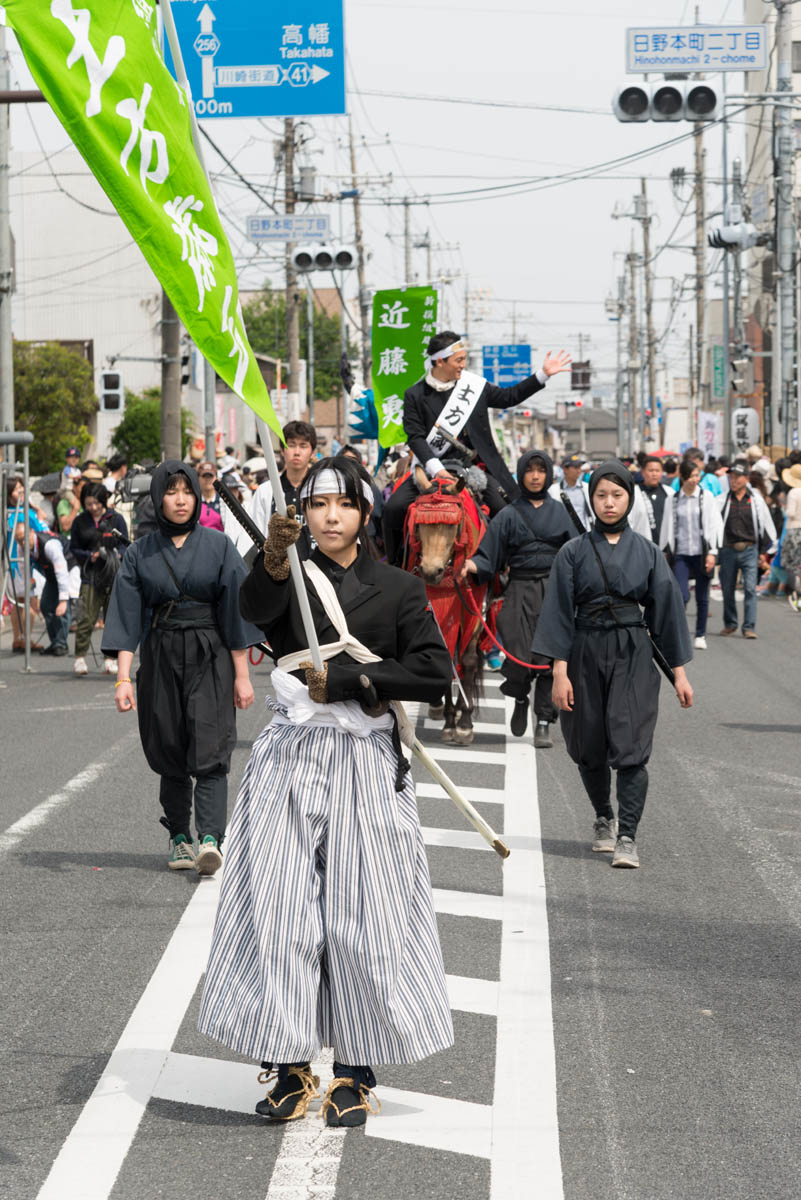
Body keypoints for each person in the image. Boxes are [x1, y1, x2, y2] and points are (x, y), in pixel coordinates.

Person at [198, 456, 454, 1128]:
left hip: (364, 758)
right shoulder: (286, 575)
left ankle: (355, 1073)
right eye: (317, 506)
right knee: (279, 910)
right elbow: (252, 614)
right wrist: (272, 563)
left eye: (344, 504)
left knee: (364, 915)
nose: (330, 516)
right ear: (303, 515)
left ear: (366, 514)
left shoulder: (397, 588)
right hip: (288, 756)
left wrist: (351, 683)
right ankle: (285, 1066)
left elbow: (433, 672)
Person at [532, 460, 693, 869]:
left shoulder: (649, 552)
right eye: (601, 495)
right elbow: (558, 613)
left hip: (633, 653)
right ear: (591, 498)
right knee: (588, 743)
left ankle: (627, 836)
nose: (608, 503)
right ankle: (603, 816)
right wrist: (559, 672)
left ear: (629, 498)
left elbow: (667, 615)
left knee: (632, 742)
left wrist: (679, 674)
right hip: (583, 650)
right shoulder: (572, 552)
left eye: (617, 495)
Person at [102, 461, 259, 874]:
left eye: (186, 491)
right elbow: (127, 617)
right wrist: (123, 678)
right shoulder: (140, 552)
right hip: (160, 654)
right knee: (169, 746)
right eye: (170, 491)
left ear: (196, 495)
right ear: (158, 498)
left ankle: (210, 838)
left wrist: (242, 677)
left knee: (211, 744)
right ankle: (179, 838)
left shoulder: (219, 545)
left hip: (211, 652)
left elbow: (235, 615)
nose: (180, 499)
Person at [381, 331, 571, 565]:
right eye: (458, 360)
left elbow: (508, 397)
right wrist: (435, 468)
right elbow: (416, 437)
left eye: (464, 359)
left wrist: (542, 375)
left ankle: (503, 570)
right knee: (392, 509)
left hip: (472, 468)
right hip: (430, 470)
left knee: (506, 509)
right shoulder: (415, 395)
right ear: (439, 361)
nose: (463, 365)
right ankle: (396, 566)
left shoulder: (472, 387)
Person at [462, 450, 574, 746]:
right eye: (530, 470)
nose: (535, 476)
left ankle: (543, 722)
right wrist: (473, 565)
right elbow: (488, 554)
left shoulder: (563, 511)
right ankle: (520, 696)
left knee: (551, 660)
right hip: (519, 589)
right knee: (518, 657)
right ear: (521, 474)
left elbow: (578, 554)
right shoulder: (509, 514)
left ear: (548, 474)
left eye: (541, 470)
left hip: (555, 592)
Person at [69, 482, 128, 675]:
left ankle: (110, 659)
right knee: (87, 617)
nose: (93, 507)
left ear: (103, 501)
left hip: (113, 574)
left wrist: (117, 554)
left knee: (113, 619)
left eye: (96, 503)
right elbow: (73, 549)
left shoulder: (116, 519)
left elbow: (125, 545)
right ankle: (79, 657)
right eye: (88, 503)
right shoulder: (80, 521)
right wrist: (89, 556)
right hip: (90, 575)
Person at [666, 459, 723, 650]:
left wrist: (713, 552)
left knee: (702, 597)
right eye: (690, 476)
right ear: (682, 477)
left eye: (697, 475)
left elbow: (715, 525)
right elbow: (666, 527)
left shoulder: (706, 497)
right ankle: (681, 634)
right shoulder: (673, 499)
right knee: (681, 596)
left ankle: (700, 634)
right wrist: (663, 552)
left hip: (702, 552)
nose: (694, 480)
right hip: (680, 552)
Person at [717, 461, 777, 639]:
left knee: (750, 588)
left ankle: (749, 627)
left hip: (750, 549)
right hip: (728, 549)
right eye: (731, 478)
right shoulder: (722, 499)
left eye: (737, 477)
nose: (733, 481)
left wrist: (764, 552)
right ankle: (730, 623)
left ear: (746, 478)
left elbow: (765, 525)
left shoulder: (756, 500)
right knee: (727, 588)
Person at [250, 420, 317, 555]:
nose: (297, 452)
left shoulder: (321, 490)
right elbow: (255, 534)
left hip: (317, 569)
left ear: (313, 452)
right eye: (291, 445)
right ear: (282, 450)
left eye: (303, 446)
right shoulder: (265, 491)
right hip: (276, 568)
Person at [14, 524, 70, 655]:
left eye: (24, 538)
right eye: (18, 540)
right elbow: (25, 572)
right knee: (45, 606)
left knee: (62, 609)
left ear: (31, 532)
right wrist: (32, 595)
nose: (22, 543)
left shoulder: (49, 545)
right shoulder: (21, 547)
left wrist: (63, 599)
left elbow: (62, 571)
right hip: (50, 574)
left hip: (69, 569)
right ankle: (55, 642)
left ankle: (61, 644)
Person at [633, 455, 673, 549]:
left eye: (657, 471)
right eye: (650, 471)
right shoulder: (634, 493)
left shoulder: (669, 492)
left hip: (666, 547)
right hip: (643, 546)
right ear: (643, 472)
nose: (654, 474)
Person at [548, 452, 592, 529]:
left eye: (580, 467)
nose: (579, 471)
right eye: (575, 468)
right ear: (565, 469)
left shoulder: (587, 488)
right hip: (563, 534)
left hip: (584, 533)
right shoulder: (553, 490)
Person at [779, 461, 801, 596]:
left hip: (794, 529)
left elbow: (790, 513)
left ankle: (797, 591)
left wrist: (784, 508)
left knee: (792, 561)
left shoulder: (793, 493)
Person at [196, 460, 224, 531]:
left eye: (210, 476)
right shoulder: (194, 501)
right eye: (204, 476)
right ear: (198, 478)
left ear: (216, 478)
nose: (207, 480)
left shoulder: (224, 502)